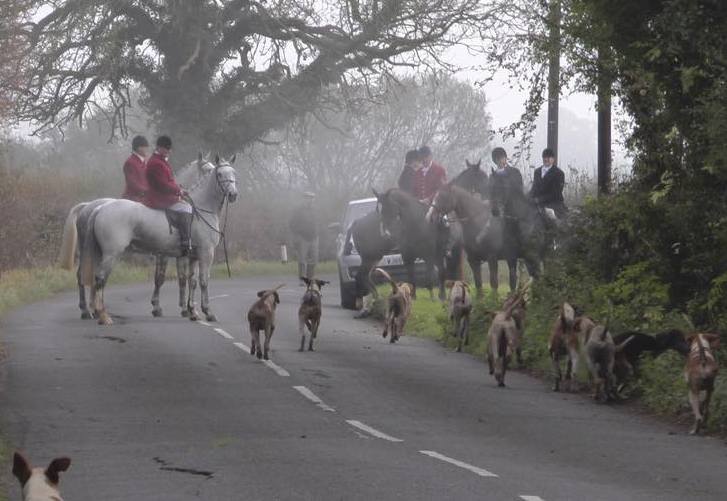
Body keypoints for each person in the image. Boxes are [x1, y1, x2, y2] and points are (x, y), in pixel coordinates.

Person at [145, 135, 193, 256]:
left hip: (164, 195)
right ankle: (185, 242)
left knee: (185, 204)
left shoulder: (160, 161)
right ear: (160, 148)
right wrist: (179, 192)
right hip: (159, 198)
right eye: (167, 148)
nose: (169, 151)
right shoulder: (156, 163)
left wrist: (179, 189)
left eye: (170, 148)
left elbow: (169, 181)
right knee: (186, 207)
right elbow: (163, 184)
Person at [289, 191, 319, 282]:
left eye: (312, 198)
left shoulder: (315, 209)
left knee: (314, 259)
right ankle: (302, 279)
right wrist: (298, 234)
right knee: (302, 260)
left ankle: (310, 278)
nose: (310, 200)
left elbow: (318, 222)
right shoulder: (298, 210)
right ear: (304, 199)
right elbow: (292, 224)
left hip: (314, 237)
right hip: (302, 237)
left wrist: (317, 232)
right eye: (308, 198)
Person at [529, 147, 567, 218]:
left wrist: (539, 199)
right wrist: (528, 197)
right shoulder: (537, 171)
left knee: (551, 216)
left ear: (553, 159)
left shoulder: (559, 173)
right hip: (538, 203)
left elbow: (556, 193)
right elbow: (534, 188)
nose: (546, 159)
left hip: (553, 204)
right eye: (544, 157)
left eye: (548, 157)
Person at [489, 147, 523, 216]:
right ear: (495, 161)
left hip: (514, 207)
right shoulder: (492, 176)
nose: (500, 160)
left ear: (505, 158)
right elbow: (490, 193)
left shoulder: (515, 172)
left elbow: (520, 189)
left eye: (501, 158)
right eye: (497, 159)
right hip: (498, 209)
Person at [121, 135, 150, 203]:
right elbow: (133, 183)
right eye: (145, 147)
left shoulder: (144, 162)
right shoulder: (130, 162)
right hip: (133, 198)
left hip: (144, 197)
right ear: (139, 148)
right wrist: (147, 191)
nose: (147, 150)